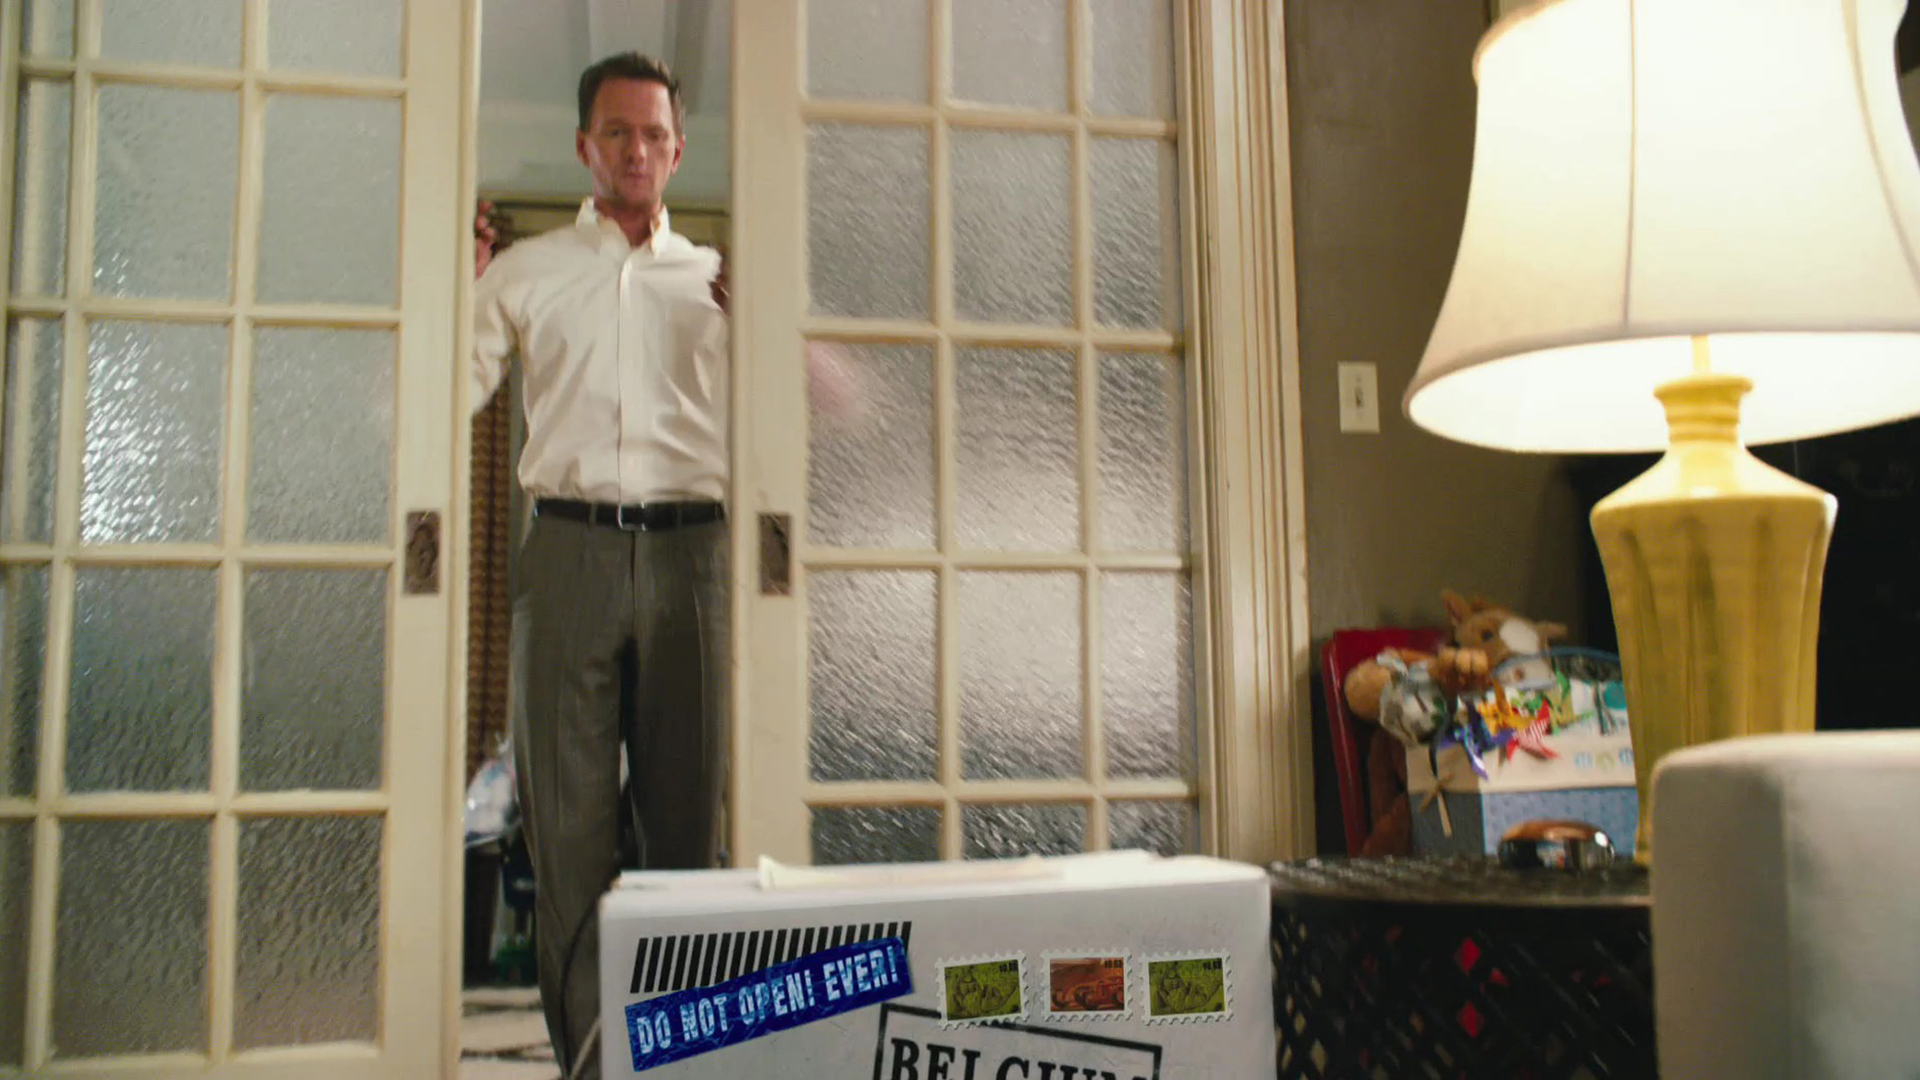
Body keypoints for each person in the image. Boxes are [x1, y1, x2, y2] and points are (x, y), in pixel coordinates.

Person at [471, 52, 727, 1078]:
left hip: (697, 558)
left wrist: (767, 321)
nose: (636, 150)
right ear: (585, 146)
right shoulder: (525, 271)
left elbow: (825, 413)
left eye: (653, 134)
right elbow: (428, 396)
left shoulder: (717, 279)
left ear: (678, 150)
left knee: (688, 834)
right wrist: (447, 289)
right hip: (567, 551)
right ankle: (588, 1063)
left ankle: (679, 1059)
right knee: (567, 841)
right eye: (616, 132)